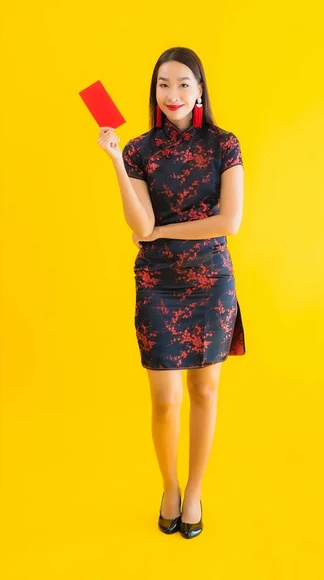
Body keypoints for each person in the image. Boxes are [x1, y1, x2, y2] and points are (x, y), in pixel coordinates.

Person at [97, 46, 246, 539]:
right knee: (164, 402)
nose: (173, 94)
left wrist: (163, 231)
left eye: (184, 83)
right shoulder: (139, 149)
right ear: (154, 90)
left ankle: (197, 491)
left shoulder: (224, 144)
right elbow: (141, 226)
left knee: (205, 390)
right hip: (157, 283)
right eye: (164, 84)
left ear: (200, 89)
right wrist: (117, 161)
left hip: (211, 281)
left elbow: (231, 222)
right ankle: (169, 486)